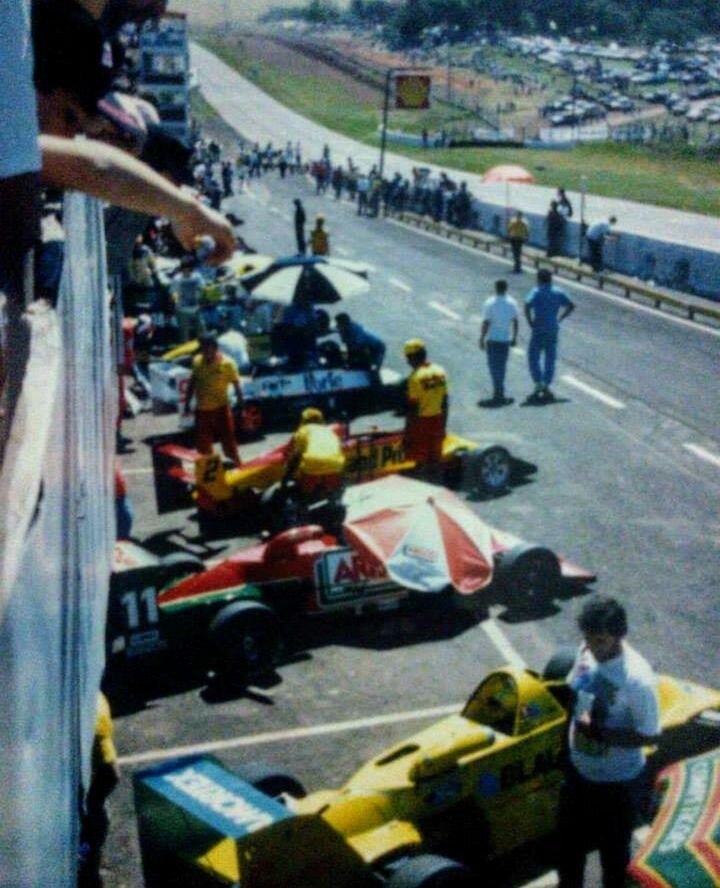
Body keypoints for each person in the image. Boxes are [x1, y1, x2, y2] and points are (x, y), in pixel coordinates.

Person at [556, 596, 660, 888]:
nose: (592, 647)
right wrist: (564, 747)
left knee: (613, 861)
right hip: (579, 774)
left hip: (617, 786)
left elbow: (650, 734)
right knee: (567, 852)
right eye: (587, 639)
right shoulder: (586, 651)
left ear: (619, 635)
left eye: (600, 640)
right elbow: (575, 697)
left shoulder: (637, 680)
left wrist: (598, 733)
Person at [78, 692, 120, 888]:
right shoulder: (96, 701)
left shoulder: (94, 719)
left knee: (88, 850)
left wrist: (90, 804)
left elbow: (111, 775)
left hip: (87, 811)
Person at [183, 334, 243, 465]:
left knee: (229, 443)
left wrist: (241, 407)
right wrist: (187, 403)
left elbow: (237, 386)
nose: (204, 352)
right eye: (202, 348)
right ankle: (209, 476)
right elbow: (192, 382)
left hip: (221, 409)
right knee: (203, 446)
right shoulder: (197, 361)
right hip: (202, 411)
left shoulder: (228, 363)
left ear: (215, 348)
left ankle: (238, 469)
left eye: (206, 348)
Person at [524, 268, 574, 400]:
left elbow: (527, 305)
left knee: (533, 356)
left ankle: (538, 381)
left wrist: (530, 321)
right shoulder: (558, 292)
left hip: (539, 327)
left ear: (539, 279)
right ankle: (546, 383)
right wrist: (561, 318)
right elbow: (571, 305)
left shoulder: (536, 291)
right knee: (550, 357)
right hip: (553, 327)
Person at [403, 339, 448, 478]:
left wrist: (408, 433)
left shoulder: (415, 378)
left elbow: (413, 409)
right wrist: (443, 426)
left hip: (421, 423)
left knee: (419, 458)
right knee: (435, 457)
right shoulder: (440, 371)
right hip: (438, 419)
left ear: (411, 358)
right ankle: (436, 480)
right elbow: (445, 402)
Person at [283, 407, 346, 501]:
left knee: (303, 490)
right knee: (330, 477)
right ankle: (332, 496)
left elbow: (294, 454)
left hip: (313, 463)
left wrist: (286, 476)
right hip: (335, 463)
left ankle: (303, 507)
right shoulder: (328, 431)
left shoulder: (302, 431)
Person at [479, 279, 519, 405]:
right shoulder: (512, 303)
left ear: (496, 288)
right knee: (501, 367)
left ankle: (498, 392)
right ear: (506, 288)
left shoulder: (489, 303)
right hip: (505, 340)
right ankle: (500, 390)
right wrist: (514, 338)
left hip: (492, 339)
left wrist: (481, 338)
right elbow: (515, 321)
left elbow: (486, 322)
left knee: (493, 367)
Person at [170, 257, 204, 342]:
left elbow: (202, 288)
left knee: (202, 331)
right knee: (184, 335)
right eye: (184, 269)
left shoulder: (197, 276)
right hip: (182, 311)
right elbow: (173, 292)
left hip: (196, 309)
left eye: (189, 269)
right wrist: (176, 301)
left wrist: (201, 297)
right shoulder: (176, 279)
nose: (187, 271)